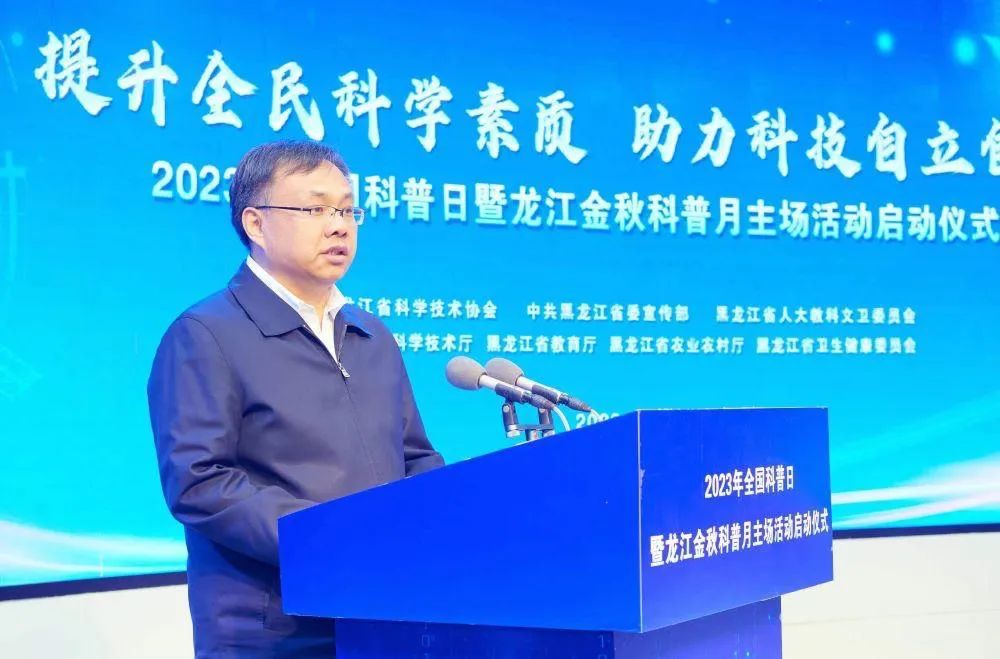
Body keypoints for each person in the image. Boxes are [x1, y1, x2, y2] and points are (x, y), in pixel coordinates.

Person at [147, 140, 444, 657]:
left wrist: (444, 520)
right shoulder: (205, 334)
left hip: (383, 610)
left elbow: (414, 456)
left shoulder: (371, 335)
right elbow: (200, 482)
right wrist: (329, 538)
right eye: (315, 209)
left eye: (347, 210)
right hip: (275, 630)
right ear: (256, 224)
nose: (339, 226)